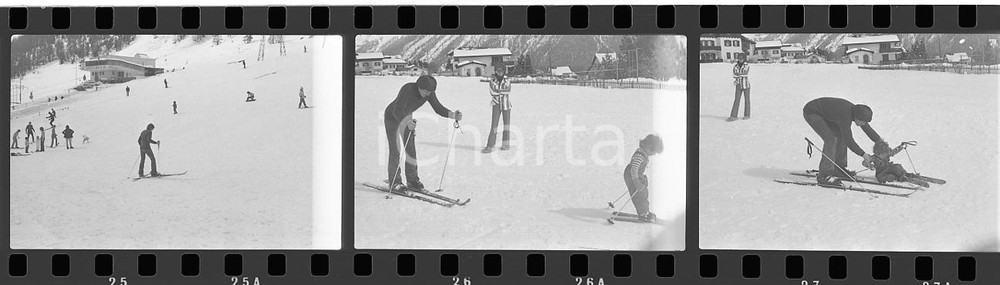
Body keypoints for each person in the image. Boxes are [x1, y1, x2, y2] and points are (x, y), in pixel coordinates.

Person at [384, 75, 463, 191]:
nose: (428, 94)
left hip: (407, 117)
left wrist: (453, 115)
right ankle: (395, 182)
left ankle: (412, 181)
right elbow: (397, 110)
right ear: (419, 87)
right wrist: (407, 122)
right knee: (395, 150)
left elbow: (438, 108)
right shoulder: (407, 89)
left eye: (430, 92)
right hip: (392, 117)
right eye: (426, 91)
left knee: (410, 150)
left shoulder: (429, 93)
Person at [803, 97, 881, 186]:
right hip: (811, 112)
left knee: (841, 136)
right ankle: (824, 175)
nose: (864, 124)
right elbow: (849, 141)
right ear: (857, 117)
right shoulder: (845, 116)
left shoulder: (856, 111)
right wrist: (864, 155)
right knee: (831, 139)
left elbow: (867, 128)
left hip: (826, 114)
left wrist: (880, 142)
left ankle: (838, 169)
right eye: (863, 121)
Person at [624, 134, 664, 222]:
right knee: (640, 195)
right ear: (649, 146)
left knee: (643, 193)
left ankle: (645, 211)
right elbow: (633, 170)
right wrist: (637, 182)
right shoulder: (639, 156)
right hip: (633, 177)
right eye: (653, 152)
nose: (653, 155)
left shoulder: (642, 153)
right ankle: (643, 214)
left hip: (635, 176)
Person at [482, 65, 513, 153]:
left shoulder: (507, 80)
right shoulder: (492, 80)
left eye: (501, 70)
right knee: (494, 125)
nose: (500, 72)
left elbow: (508, 90)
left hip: (506, 105)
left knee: (506, 125)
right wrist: (502, 91)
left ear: (504, 71)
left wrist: (499, 91)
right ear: (496, 71)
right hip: (496, 104)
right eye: (498, 70)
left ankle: (505, 144)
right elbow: (492, 92)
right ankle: (490, 146)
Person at [727, 54, 751, 122]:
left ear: (744, 59)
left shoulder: (747, 65)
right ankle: (733, 116)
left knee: (747, 100)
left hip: (746, 85)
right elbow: (734, 75)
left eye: (742, 58)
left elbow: (745, 74)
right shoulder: (735, 66)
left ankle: (747, 114)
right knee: (736, 100)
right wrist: (739, 75)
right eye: (739, 58)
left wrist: (739, 75)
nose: (740, 59)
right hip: (738, 85)